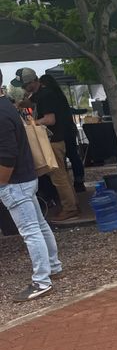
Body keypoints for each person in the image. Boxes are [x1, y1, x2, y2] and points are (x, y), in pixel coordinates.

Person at [0, 70, 62, 302]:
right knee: (39, 225)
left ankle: (42, 280)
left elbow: (7, 155)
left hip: (14, 182)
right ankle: (53, 267)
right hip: (24, 179)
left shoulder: (2, 113)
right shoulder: (8, 107)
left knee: (31, 231)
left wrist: (2, 182)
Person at [12, 68, 80, 221]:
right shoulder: (42, 93)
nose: (23, 88)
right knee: (63, 175)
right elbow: (31, 101)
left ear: (31, 82)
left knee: (58, 177)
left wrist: (32, 123)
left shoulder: (46, 95)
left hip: (54, 141)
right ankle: (73, 204)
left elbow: (50, 120)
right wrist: (20, 104)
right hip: (56, 140)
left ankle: (70, 208)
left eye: (23, 85)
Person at [39, 74, 85, 193]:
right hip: (69, 129)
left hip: (61, 133)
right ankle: (79, 182)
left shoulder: (47, 95)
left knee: (63, 164)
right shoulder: (58, 94)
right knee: (74, 156)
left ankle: (72, 188)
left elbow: (51, 119)